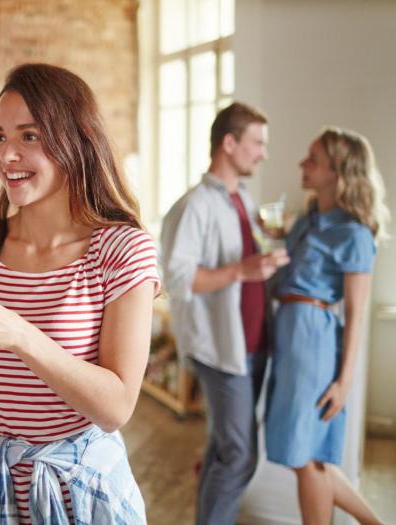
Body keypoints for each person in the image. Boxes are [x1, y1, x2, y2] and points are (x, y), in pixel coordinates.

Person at [0, 63, 159, 524]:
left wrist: (19, 333)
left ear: (76, 140)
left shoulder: (121, 249)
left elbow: (116, 407)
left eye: (30, 136)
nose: (7, 156)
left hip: (83, 489)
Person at [160, 102, 290, 525]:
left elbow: (247, 263)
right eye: (257, 143)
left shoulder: (243, 199)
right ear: (229, 143)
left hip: (253, 343)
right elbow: (178, 279)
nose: (264, 153)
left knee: (222, 450)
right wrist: (241, 270)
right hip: (221, 349)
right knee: (239, 455)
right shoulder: (193, 205)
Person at [265, 128, 389, 525]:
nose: (302, 164)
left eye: (313, 159)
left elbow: (356, 311)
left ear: (337, 172)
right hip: (289, 336)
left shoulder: (354, 233)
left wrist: (344, 381)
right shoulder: (307, 220)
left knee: (306, 458)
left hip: (312, 343)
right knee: (304, 455)